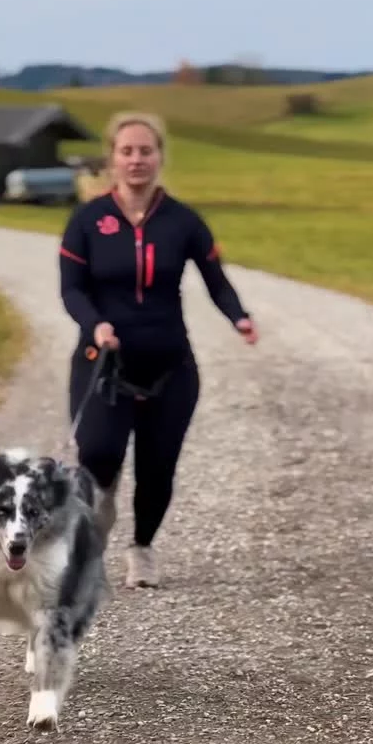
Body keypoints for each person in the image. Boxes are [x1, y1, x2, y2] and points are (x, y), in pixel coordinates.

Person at [59, 111, 257, 588]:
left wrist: (239, 317)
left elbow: (216, 280)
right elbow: (72, 290)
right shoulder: (88, 220)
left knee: (158, 467)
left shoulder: (182, 220)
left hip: (171, 366)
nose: (136, 160)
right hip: (104, 363)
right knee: (99, 453)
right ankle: (99, 510)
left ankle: (142, 549)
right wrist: (95, 324)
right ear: (112, 158)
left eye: (146, 151)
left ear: (160, 157)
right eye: (127, 151)